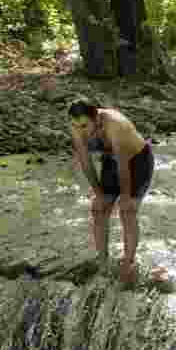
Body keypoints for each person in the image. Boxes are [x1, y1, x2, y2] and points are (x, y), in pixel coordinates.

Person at [68, 98, 154, 286]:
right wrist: (98, 193)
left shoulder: (115, 124)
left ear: (96, 118)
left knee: (127, 211)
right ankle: (102, 260)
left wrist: (125, 197)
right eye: (76, 125)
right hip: (111, 160)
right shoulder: (76, 127)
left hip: (137, 161)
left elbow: (123, 165)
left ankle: (128, 261)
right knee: (98, 208)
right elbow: (85, 162)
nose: (80, 130)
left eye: (84, 125)